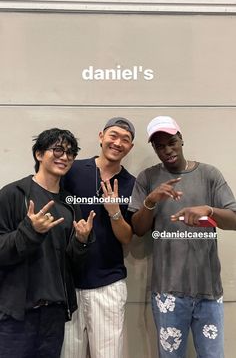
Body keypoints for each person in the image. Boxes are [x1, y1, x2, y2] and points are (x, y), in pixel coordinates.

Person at [129, 116, 236, 358]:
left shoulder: (210, 175)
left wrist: (209, 210)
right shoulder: (147, 178)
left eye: (172, 142)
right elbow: (138, 229)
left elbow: (234, 218)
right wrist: (151, 200)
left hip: (209, 290)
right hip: (168, 292)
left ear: (181, 139)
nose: (167, 150)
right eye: (159, 146)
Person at [0, 128, 95, 358]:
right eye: (58, 149)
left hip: (54, 315)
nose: (65, 157)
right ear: (39, 154)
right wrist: (29, 231)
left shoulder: (70, 205)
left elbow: (72, 265)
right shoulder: (13, 194)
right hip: (16, 315)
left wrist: (82, 242)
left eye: (70, 152)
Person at [61, 117, 135, 358]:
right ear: (101, 136)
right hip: (67, 283)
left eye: (125, 139)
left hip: (108, 283)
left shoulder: (131, 184)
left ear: (130, 148)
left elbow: (127, 238)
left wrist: (114, 212)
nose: (118, 142)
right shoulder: (71, 170)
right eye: (113, 135)